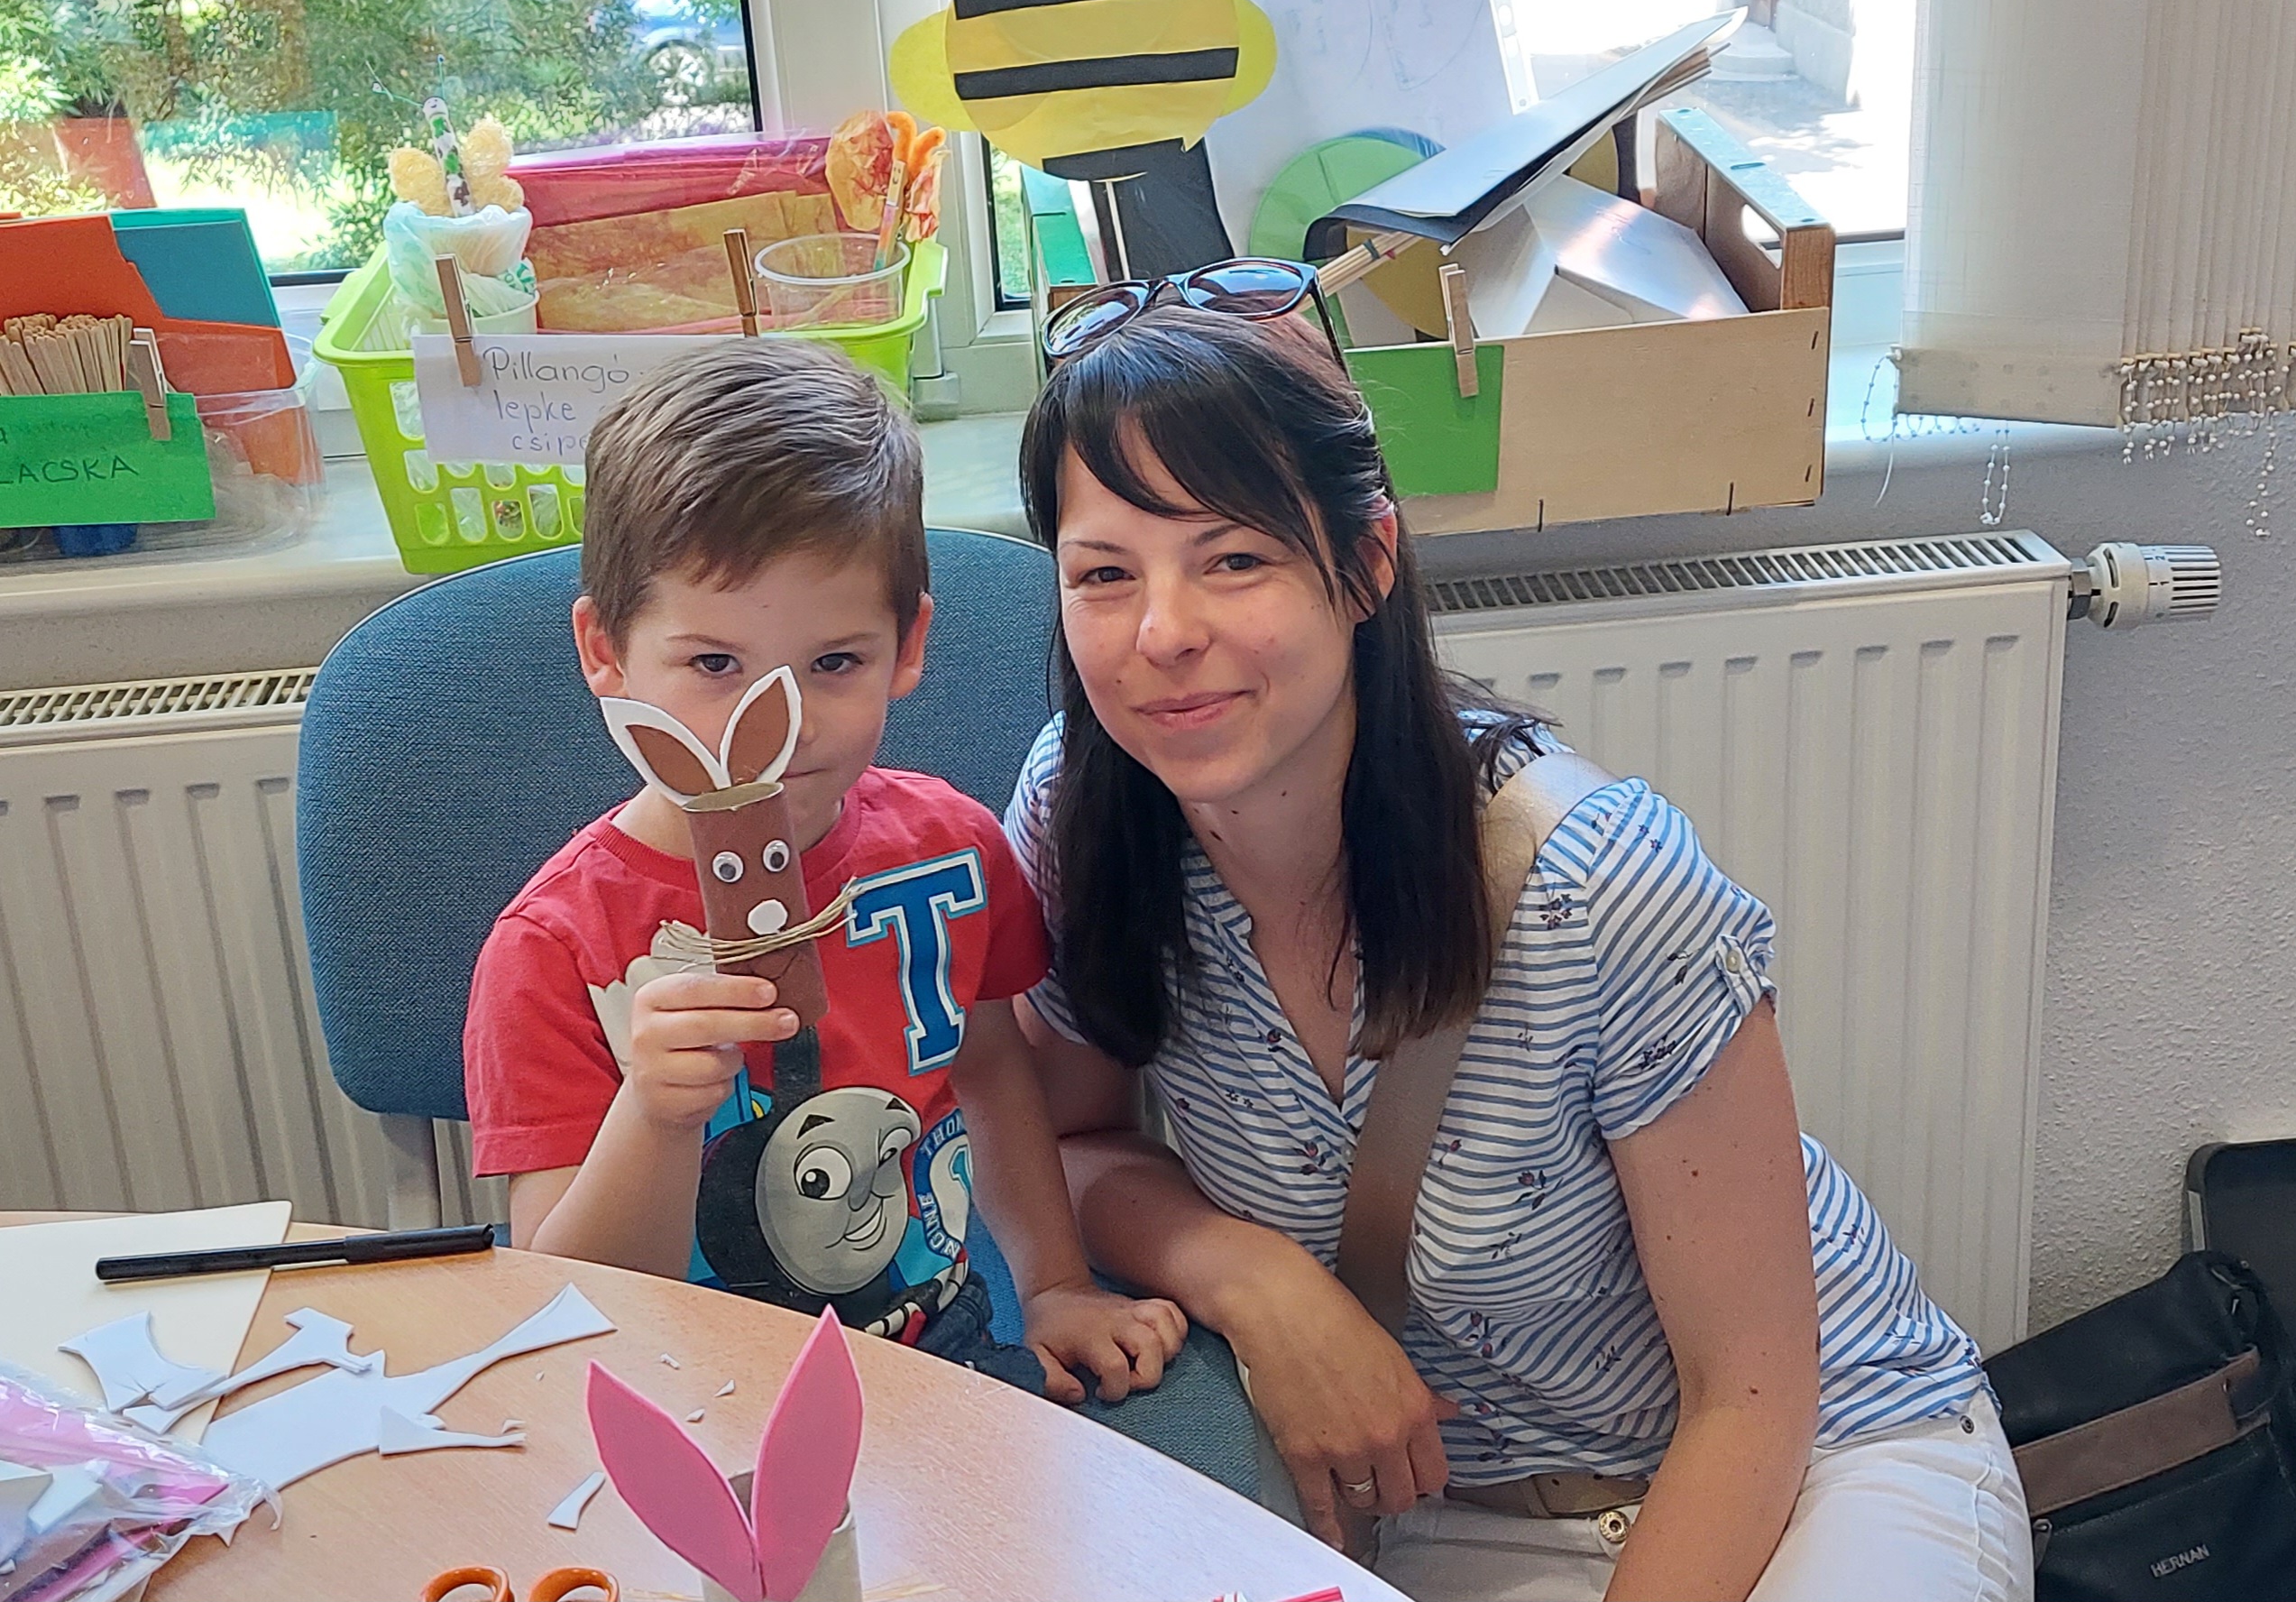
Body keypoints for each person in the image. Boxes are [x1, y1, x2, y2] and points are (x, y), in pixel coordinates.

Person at [1001, 302, 2033, 1601]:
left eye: (1234, 558)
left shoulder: (1597, 879)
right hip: (1451, 1509)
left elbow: (1751, 1394)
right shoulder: (1080, 812)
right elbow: (1073, 1139)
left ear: (1365, 564)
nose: (1160, 633)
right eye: (1104, 574)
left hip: (1817, 1457)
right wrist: (1256, 1280)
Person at [464, 336, 1185, 1405]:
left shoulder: (950, 848)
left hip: (937, 1351)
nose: (781, 722)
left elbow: (990, 1069)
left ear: (907, 645)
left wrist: (1054, 1282)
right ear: (605, 652)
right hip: (690, 1394)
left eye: (833, 661)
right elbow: (572, 1292)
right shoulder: (555, 950)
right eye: (715, 664)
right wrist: (655, 1114)